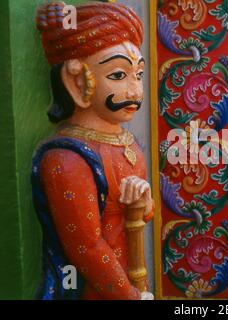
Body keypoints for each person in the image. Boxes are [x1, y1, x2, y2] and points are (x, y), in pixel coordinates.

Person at [32, 2, 154, 300]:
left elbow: (143, 214)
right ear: (76, 81)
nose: (135, 91)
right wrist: (130, 296)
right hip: (96, 290)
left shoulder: (127, 142)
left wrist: (144, 200)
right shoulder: (67, 159)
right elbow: (86, 247)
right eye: (118, 76)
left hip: (131, 275)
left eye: (138, 75)